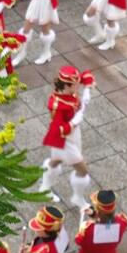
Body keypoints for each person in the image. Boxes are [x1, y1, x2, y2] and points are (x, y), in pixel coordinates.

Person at [37, 66, 95, 208]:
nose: (78, 85)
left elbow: (86, 76)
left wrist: (87, 87)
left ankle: (44, 188)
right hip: (63, 140)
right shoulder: (57, 105)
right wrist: (76, 120)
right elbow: (59, 129)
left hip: (73, 135)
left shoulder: (69, 87)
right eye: (76, 85)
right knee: (83, 171)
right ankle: (78, 198)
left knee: (55, 161)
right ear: (67, 85)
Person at [73, 189, 127, 253]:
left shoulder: (87, 229)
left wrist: (92, 218)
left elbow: (78, 241)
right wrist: (94, 215)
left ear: (98, 210)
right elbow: (107, 224)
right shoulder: (122, 222)